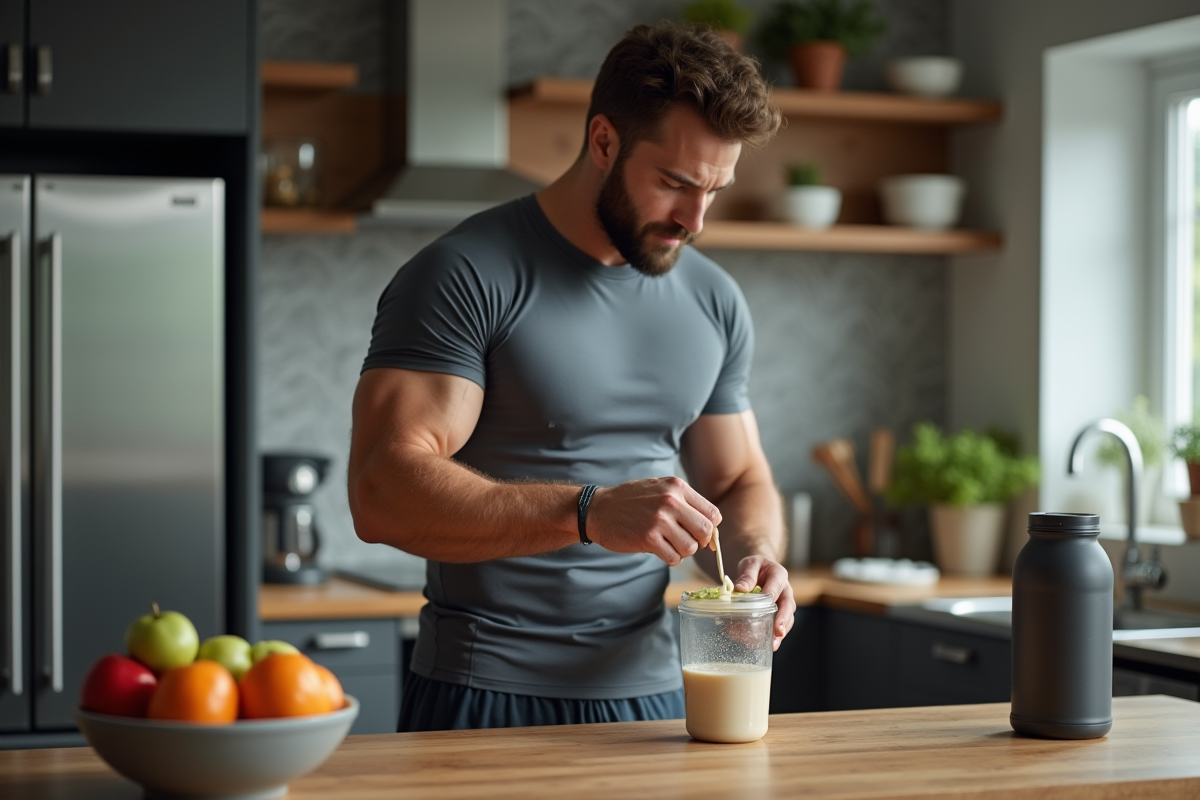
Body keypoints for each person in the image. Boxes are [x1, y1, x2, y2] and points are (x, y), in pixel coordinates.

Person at [348, 21, 795, 732]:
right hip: (487, 690)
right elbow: (380, 491)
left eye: (715, 190)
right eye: (674, 183)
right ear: (604, 142)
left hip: (655, 697)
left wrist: (757, 559)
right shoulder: (464, 274)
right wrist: (588, 512)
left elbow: (739, 478)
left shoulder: (713, 299)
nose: (695, 219)